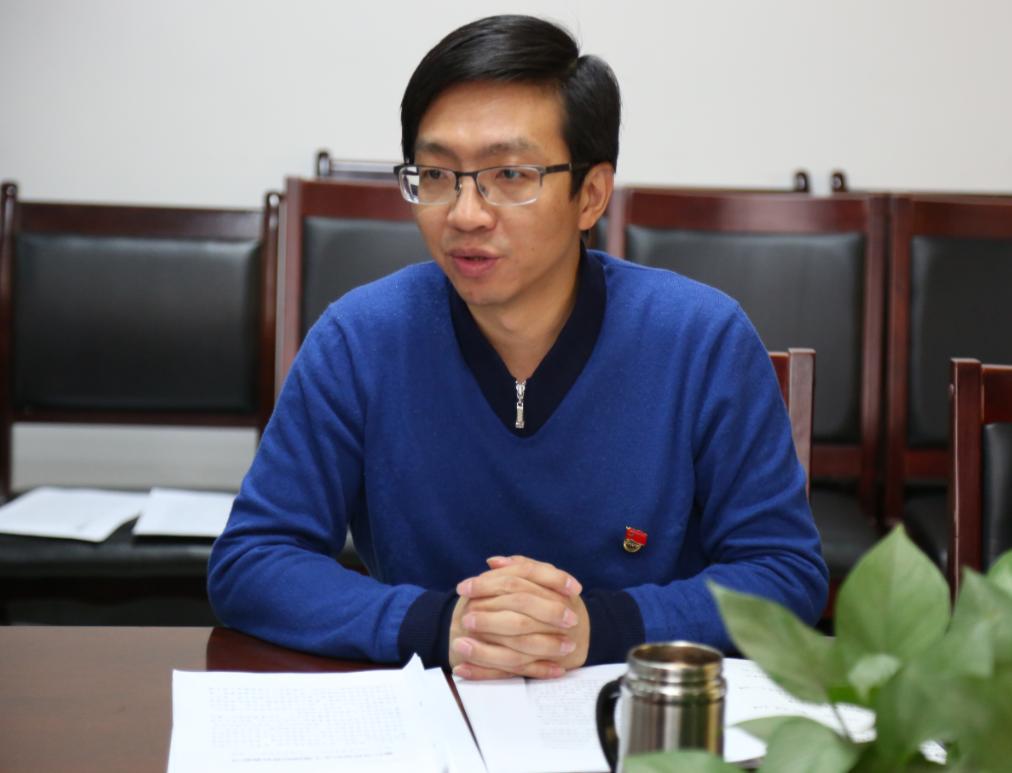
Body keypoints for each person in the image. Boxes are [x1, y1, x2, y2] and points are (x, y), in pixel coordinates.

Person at [208, 14, 828, 680]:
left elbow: (784, 572)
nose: (465, 214)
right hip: (433, 704)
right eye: (437, 174)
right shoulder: (359, 339)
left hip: (638, 707)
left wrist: (597, 627)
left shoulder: (701, 338)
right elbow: (253, 559)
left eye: (509, 174)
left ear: (590, 195)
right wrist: (442, 626)